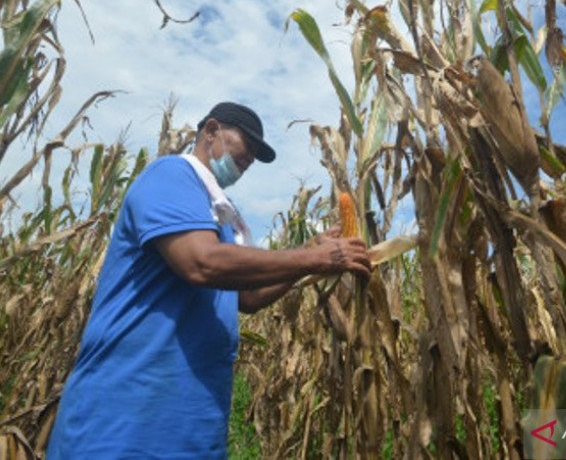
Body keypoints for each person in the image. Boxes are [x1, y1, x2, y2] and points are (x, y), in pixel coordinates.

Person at [45, 102, 371, 459]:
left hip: (192, 430)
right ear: (211, 130)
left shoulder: (220, 214)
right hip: (124, 423)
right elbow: (201, 263)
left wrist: (308, 256)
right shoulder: (171, 175)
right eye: (246, 143)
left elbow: (247, 297)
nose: (250, 158)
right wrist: (316, 258)